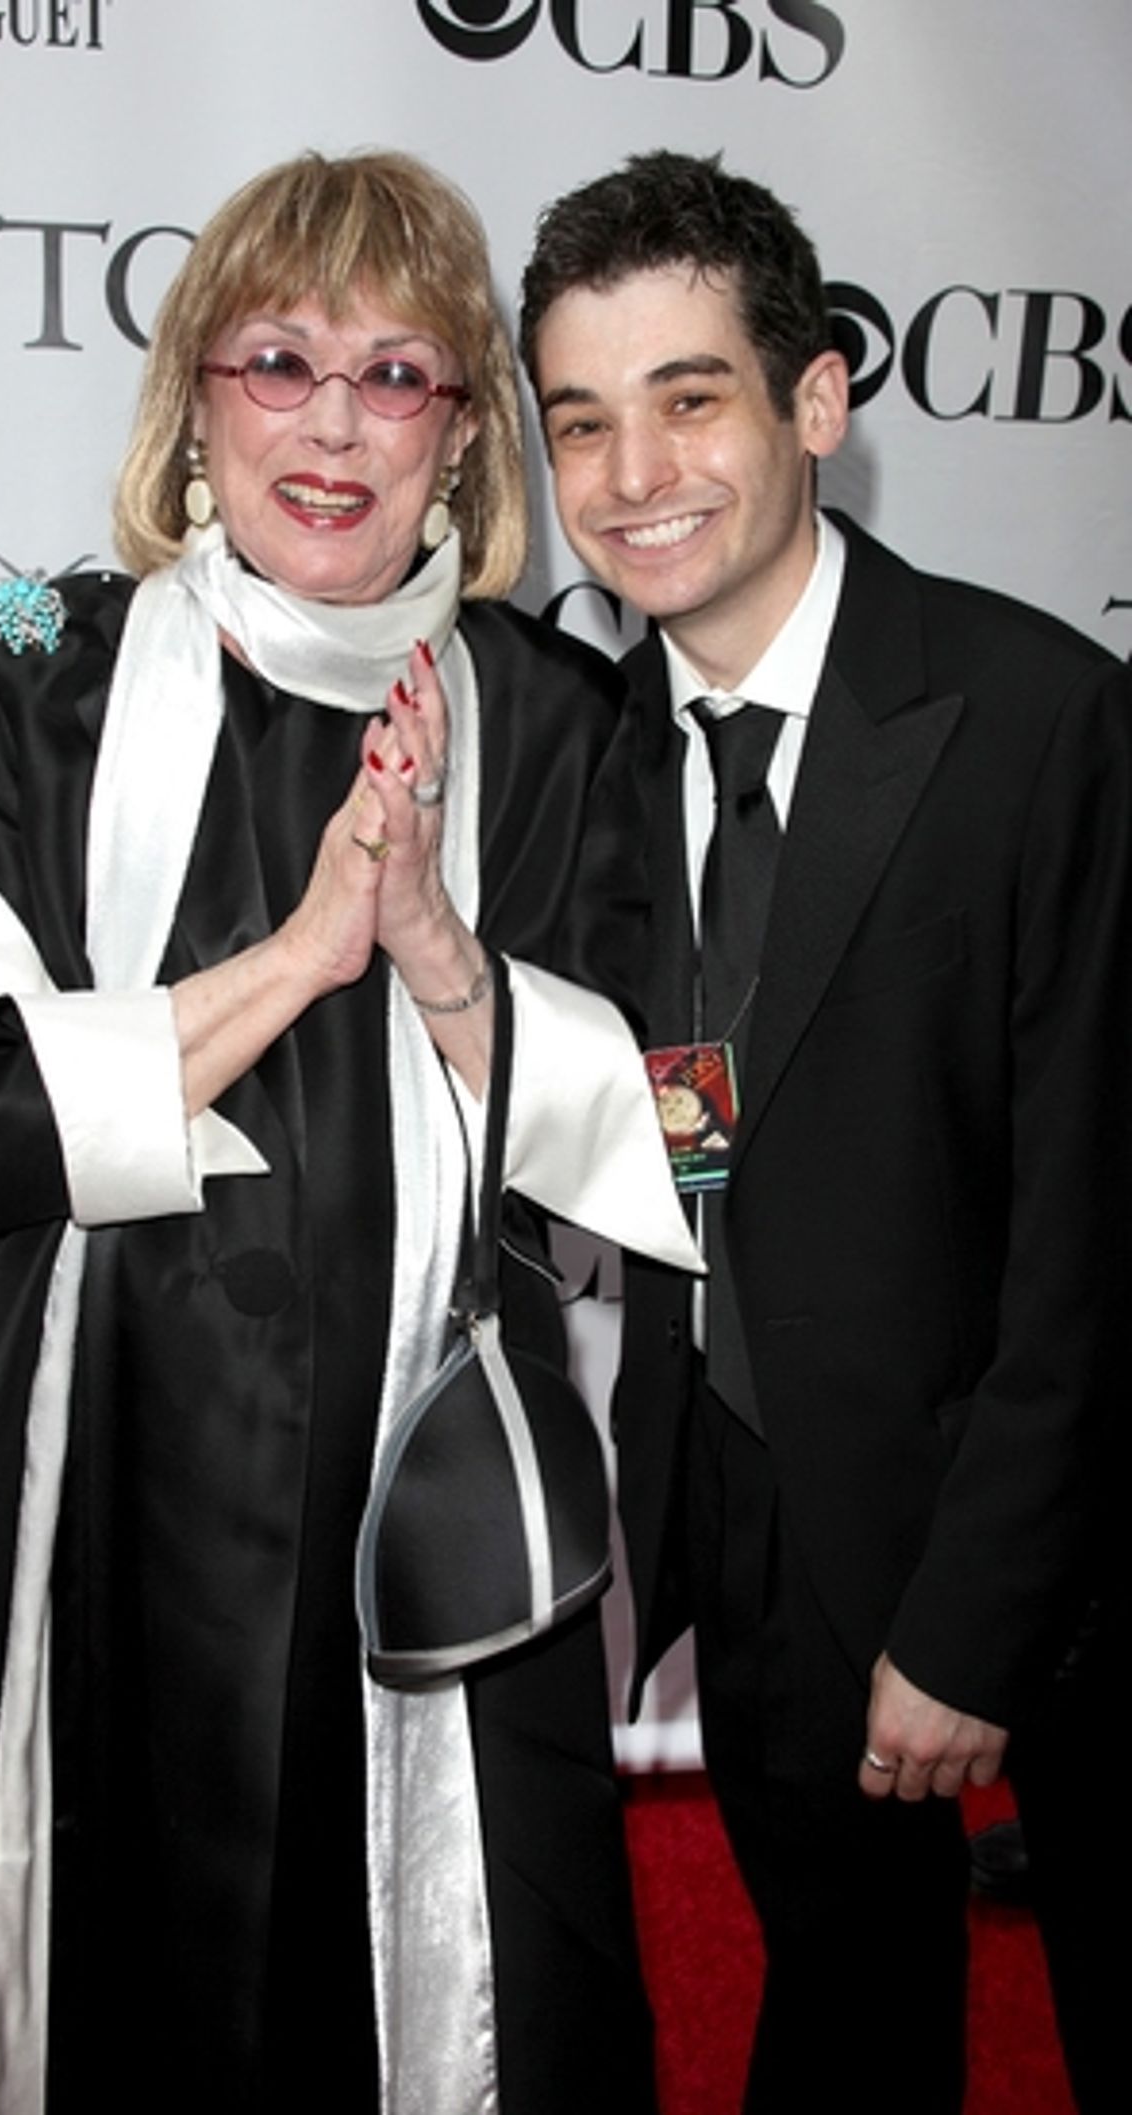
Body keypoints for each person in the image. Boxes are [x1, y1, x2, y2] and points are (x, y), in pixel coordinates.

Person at [0, 151, 699, 2115]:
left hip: (424, 1506)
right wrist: (303, 955)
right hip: (78, 1496)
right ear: (194, 398)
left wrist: (445, 948)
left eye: (398, 373)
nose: (331, 421)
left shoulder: (564, 712)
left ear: (462, 436)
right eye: (279, 357)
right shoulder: (20, 661)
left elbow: (685, 1144)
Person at [519, 149, 1130, 2113]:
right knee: (848, 2016)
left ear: (814, 401)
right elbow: (681, 1125)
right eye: (582, 422)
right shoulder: (600, 753)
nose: (632, 475)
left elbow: (1095, 1233)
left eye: (689, 397)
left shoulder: (1042, 720)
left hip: (1065, 1542)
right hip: (765, 1514)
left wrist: (970, 1622)